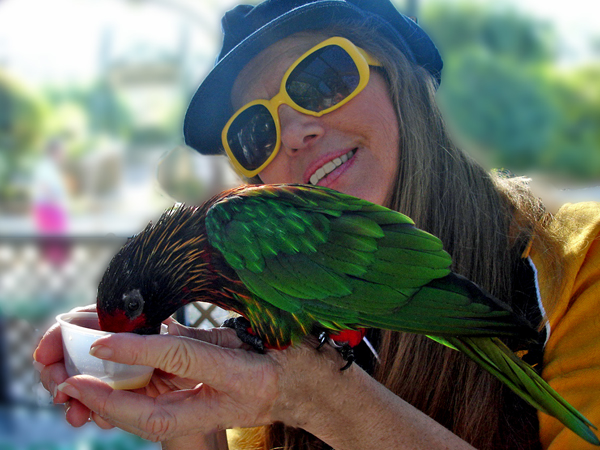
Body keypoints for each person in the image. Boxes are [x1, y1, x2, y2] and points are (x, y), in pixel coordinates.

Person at [33, 0, 600, 449]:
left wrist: (316, 397)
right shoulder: (263, 318)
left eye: (322, 79)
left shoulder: (576, 263)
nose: (296, 130)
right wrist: (178, 418)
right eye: (254, 133)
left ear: (400, 78)